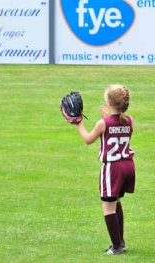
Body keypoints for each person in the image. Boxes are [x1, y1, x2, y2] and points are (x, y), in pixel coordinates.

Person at [74, 84, 135, 255]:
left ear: (108, 102)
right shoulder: (129, 120)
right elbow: (117, 126)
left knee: (108, 207)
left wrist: (77, 122)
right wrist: (110, 117)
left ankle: (116, 248)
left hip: (113, 168)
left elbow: (88, 139)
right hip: (128, 166)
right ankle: (120, 242)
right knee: (116, 202)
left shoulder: (103, 123)